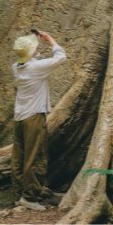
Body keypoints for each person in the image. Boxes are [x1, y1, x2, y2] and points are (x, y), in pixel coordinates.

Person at [10, 30, 67, 209]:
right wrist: (50, 39)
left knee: (20, 155)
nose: (37, 49)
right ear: (31, 53)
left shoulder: (16, 67)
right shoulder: (36, 67)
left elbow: (33, 59)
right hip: (33, 117)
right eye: (34, 48)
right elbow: (61, 57)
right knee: (35, 157)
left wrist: (34, 51)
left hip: (19, 117)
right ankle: (30, 197)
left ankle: (19, 192)